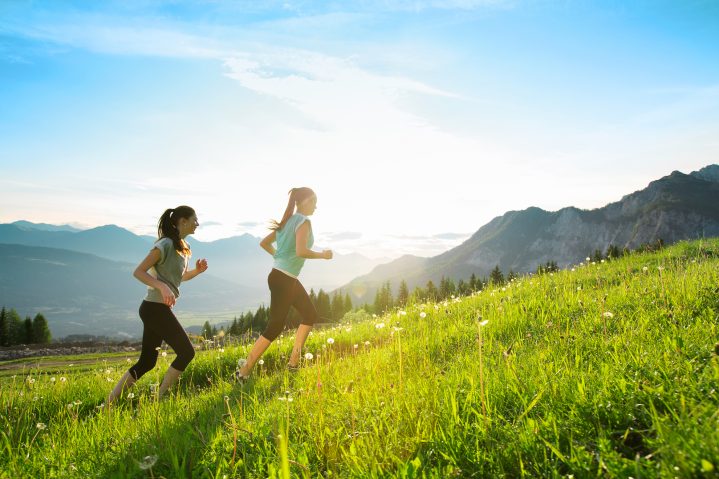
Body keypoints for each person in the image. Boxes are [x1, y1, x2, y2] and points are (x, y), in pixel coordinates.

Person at [107, 206, 208, 405]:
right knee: (187, 352)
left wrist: (196, 271)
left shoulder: (184, 247)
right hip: (154, 308)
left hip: (158, 309)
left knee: (147, 362)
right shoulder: (165, 244)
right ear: (183, 221)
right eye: (195, 219)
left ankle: (109, 404)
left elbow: (179, 277)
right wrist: (161, 286)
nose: (197, 223)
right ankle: (159, 399)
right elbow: (139, 271)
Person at [236, 187, 332, 380]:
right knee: (275, 326)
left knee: (309, 314)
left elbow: (264, 243)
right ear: (304, 202)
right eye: (314, 202)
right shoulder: (304, 222)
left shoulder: (287, 221)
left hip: (282, 276)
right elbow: (301, 251)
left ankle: (293, 362)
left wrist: (280, 258)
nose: (316, 206)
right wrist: (323, 255)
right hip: (284, 278)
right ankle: (243, 371)